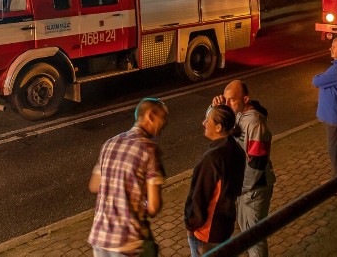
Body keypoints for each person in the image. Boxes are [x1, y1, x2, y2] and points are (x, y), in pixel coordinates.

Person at [88, 98, 169, 257]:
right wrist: (140, 202)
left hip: (100, 239)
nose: (165, 123)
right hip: (128, 243)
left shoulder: (110, 143)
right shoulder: (149, 149)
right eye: (163, 117)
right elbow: (153, 206)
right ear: (150, 116)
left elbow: (94, 185)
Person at [212, 80, 275, 257]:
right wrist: (215, 109)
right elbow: (213, 129)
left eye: (231, 100)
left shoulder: (255, 124)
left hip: (254, 190)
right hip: (244, 189)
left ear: (245, 99)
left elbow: (257, 164)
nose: (227, 104)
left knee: (254, 238)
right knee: (247, 234)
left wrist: (240, 188)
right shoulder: (238, 115)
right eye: (225, 99)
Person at [185, 104, 246, 257]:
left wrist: (191, 225)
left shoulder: (212, 159)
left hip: (207, 231)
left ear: (218, 127)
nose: (203, 123)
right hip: (224, 225)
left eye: (207, 120)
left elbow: (199, 198)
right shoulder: (236, 150)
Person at [312, 36, 337, 178]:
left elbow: (316, 81)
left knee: (336, 151)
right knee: (335, 150)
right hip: (333, 115)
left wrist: (321, 75)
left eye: (334, 47)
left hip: (335, 116)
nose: (331, 49)